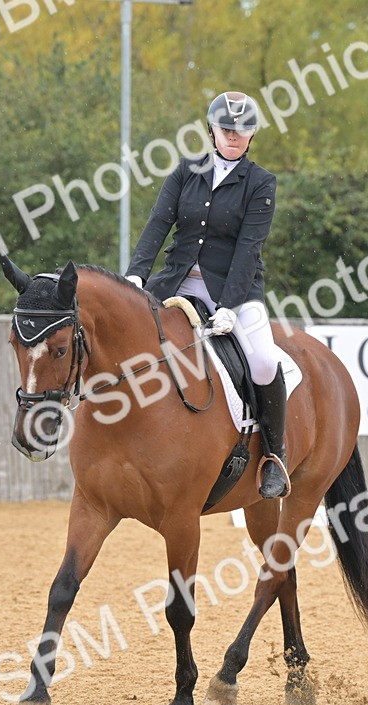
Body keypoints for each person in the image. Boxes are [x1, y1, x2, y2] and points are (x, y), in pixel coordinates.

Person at [126, 91, 290, 499]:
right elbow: (157, 224)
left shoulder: (260, 183)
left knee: (265, 363)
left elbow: (249, 248)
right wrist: (135, 276)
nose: (234, 135)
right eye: (226, 128)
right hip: (177, 282)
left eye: (242, 130)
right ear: (212, 130)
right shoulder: (185, 171)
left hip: (236, 288)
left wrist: (231, 307)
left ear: (252, 135)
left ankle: (274, 456)